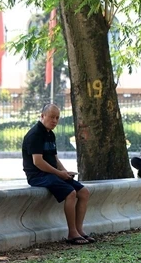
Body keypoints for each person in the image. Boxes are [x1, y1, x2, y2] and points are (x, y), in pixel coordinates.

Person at [22, 103, 93, 245]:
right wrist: (59, 174)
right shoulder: (35, 135)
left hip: (52, 174)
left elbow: (55, 158)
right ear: (42, 116)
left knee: (84, 192)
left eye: (57, 118)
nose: (55, 121)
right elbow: (38, 162)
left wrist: (64, 172)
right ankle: (72, 233)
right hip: (38, 175)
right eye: (52, 117)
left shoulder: (50, 134)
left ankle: (79, 230)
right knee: (71, 193)